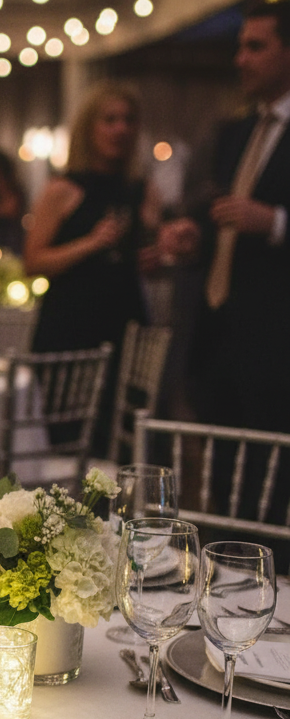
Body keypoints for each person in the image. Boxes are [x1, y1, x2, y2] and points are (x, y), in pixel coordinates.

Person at [161, 0, 290, 434]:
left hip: (277, 345)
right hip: (217, 337)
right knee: (221, 485)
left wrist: (275, 223)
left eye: (255, 48)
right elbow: (223, 223)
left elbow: (259, 220)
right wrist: (193, 240)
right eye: (240, 47)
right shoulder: (235, 133)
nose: (241, 60)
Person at [24, 82, 159, 454]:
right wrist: (91, 243)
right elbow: (32, 262)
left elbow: (148, 258)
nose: (120, 129)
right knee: (67, 441)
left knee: (122, 443)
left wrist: (161, 252)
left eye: (128, 120)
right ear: (89, 128)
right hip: (70, 330)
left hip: (123, 325)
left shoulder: (140, 189)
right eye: (109, 120)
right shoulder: (63, 189)